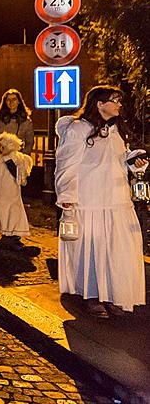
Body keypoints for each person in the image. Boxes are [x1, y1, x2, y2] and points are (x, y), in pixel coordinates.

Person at [55, 85, 148, 317]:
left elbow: (117, 159)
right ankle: (93, 296)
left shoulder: (115, 130)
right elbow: (66, 165)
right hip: (90, 201)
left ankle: (114, 294)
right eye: (114, 100)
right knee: (92, 249)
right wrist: (67, 197)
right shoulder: (78, 129)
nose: (119, 104)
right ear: (99, 104)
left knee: (116, 249)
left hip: (116, 201)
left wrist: (132, 160)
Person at [0, 88, 34, 164]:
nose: (11, 102)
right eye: (8, 100)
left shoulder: (26, 121)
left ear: (19, 101)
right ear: (5, 102)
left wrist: (22, 159)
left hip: (15, 159)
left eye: (14, 99)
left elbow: (29, 143)